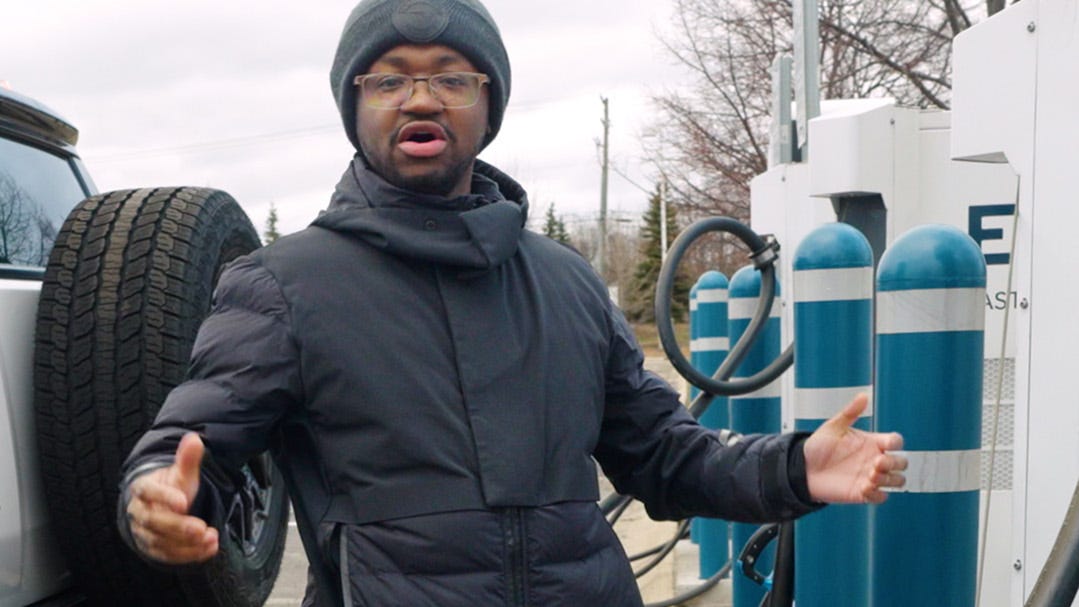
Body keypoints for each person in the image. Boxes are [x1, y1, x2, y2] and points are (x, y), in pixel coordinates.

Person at [118, 1, 907, 605]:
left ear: (488, 104)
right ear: (353, 108)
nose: (420, 98)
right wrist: (157, 496)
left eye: (451, 78)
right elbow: (191, 448)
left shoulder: (566, 281)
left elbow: (664, 456)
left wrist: (790, 467)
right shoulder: (282, 285)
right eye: (387, 79)